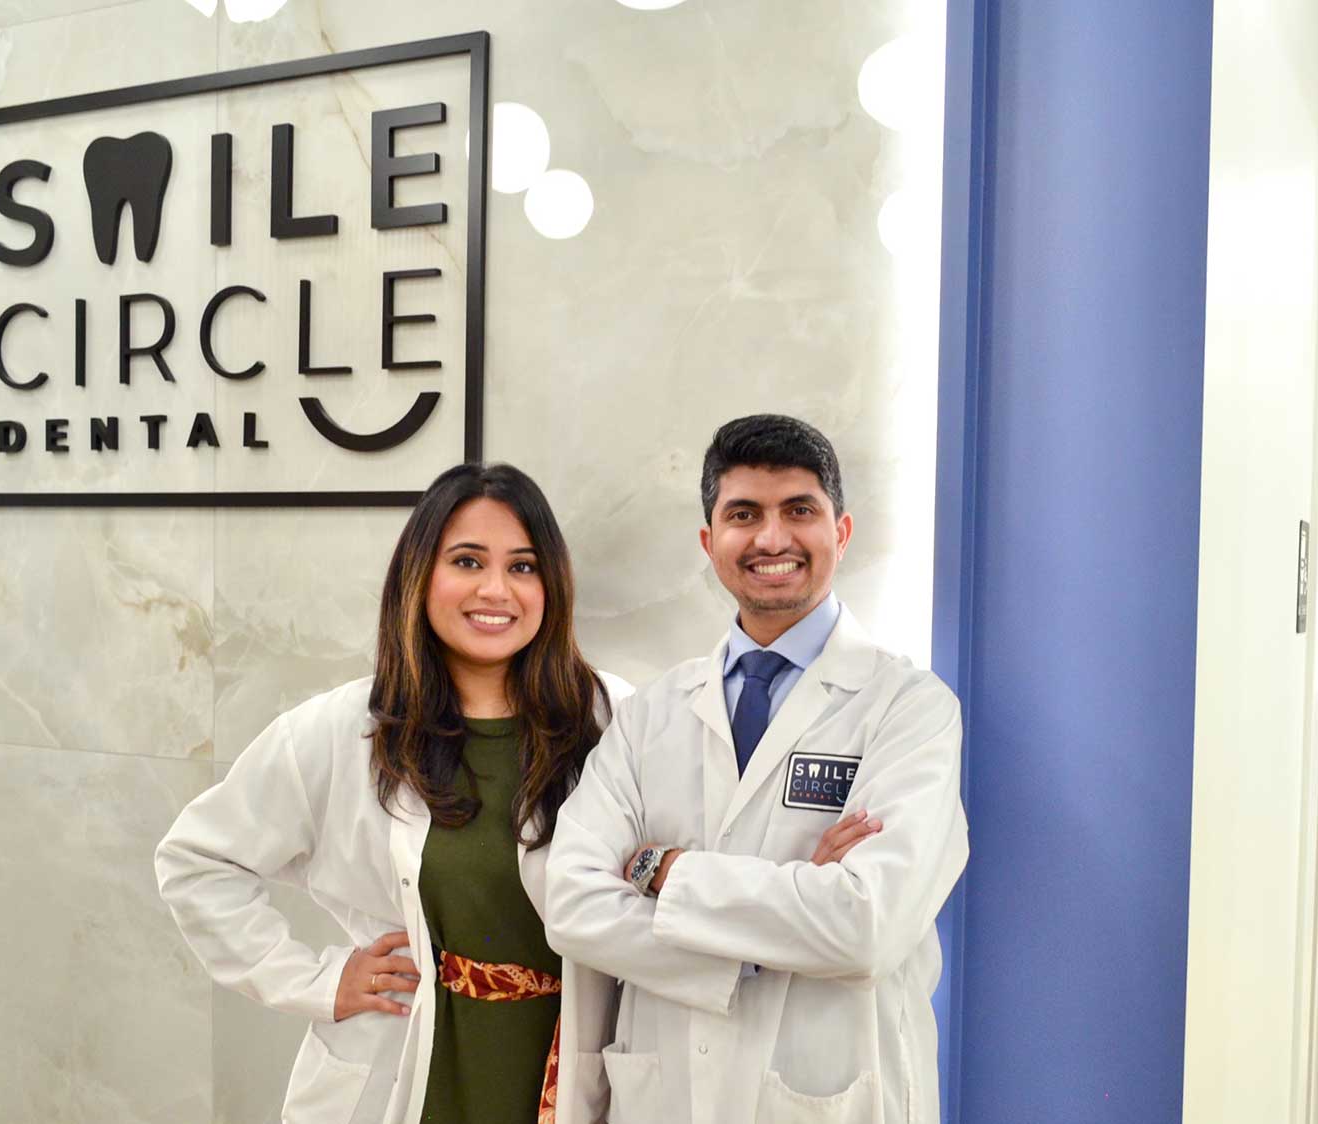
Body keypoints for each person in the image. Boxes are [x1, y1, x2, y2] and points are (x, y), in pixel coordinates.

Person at [155, 463, 630, 1124]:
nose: (496, 589)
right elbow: (197, 862)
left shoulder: (615, 720)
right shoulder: (343, 729)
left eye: (523, 566)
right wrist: (319, 980)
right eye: (467, 561)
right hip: (402, 1067)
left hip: (565, 1069)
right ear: (419, 575)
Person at [543, 414, 969, 1124]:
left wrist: (665, 872)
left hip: (829, 1095)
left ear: (841, 531)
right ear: (710, 542)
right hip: (665, 1099)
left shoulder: (908, 707)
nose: (772, 539)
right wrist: (783, 921)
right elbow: (571, 904)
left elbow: (865, 924)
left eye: (799, 510)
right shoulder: (651, 714)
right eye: (744, 515)